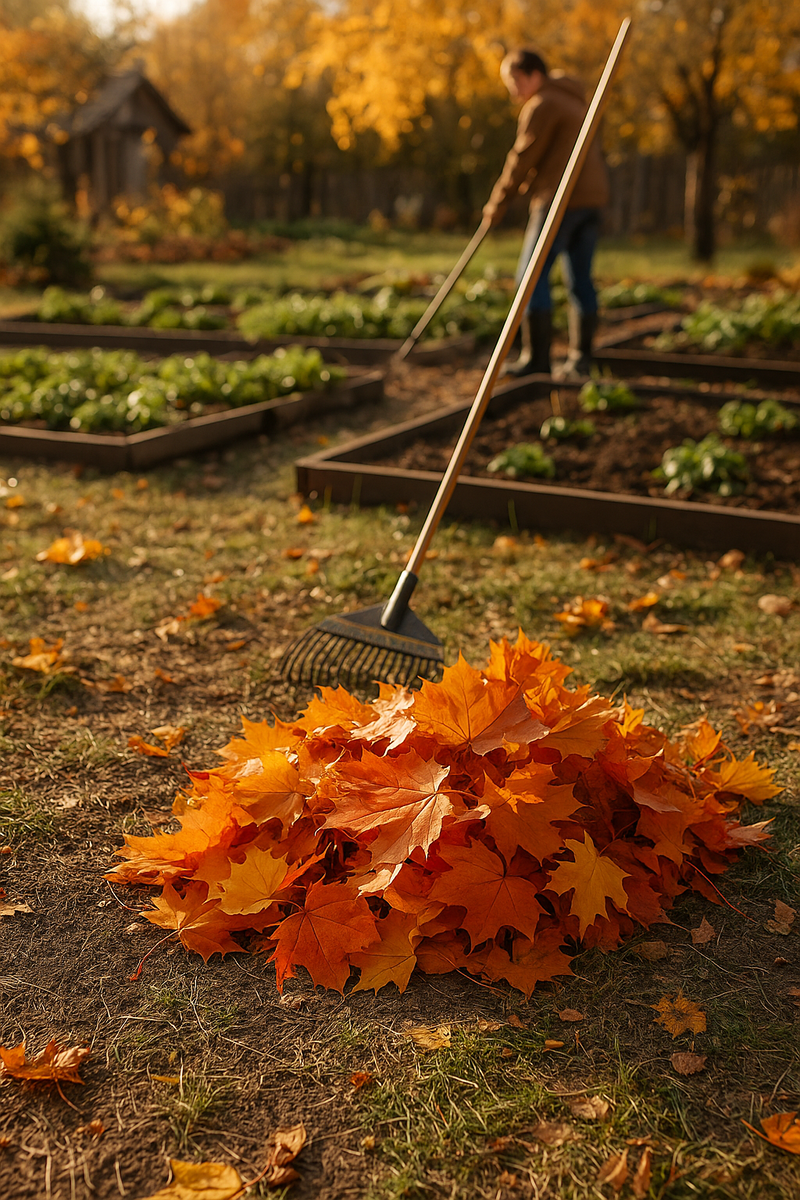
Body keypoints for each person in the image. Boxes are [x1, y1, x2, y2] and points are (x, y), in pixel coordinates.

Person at [483, 48, 610, 378]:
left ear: (532, 75)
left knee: (530, 276)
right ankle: (581, 359)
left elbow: (521, 158)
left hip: (560, 200)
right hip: (591, 200)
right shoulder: (574, 100)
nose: (513, 90)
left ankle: (537, 360)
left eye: (514, 81)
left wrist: (497, 203)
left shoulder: (543, 104)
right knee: (580, 279)